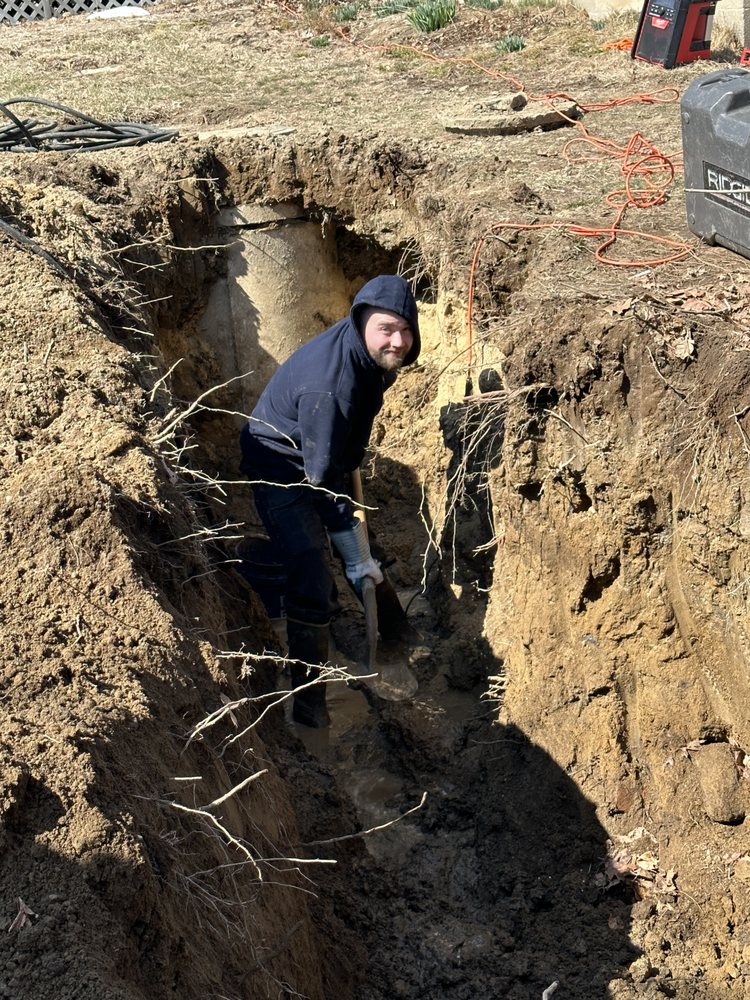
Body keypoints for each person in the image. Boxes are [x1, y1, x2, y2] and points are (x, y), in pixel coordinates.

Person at [239, 274, 421, 728]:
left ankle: (394, 637)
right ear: (362, 322)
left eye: (405, 329)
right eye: (386, 329)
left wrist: (350, 461)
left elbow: (353, 424)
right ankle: (309, 704)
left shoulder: (372, 355)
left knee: (362, 547)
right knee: (310, 576)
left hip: (322, 453)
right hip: (280, 467)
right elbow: (320, 481)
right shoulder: (330, 383)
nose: (397, 341)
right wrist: (353, 551)